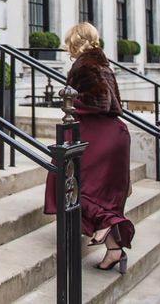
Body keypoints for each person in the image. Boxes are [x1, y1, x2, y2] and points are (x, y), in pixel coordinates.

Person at [43, 22, 134, 274]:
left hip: (100, 136)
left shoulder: (86, 64)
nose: (66, 46)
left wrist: (69, 100)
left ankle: (105, 225)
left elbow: (101, 99)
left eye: (69, 41)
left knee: (67, 182)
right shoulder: (101, 62)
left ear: (77, 41)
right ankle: (115, 249)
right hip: (111, 134)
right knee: (95, 191)